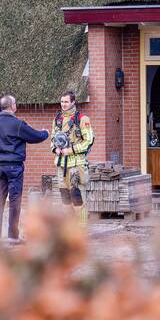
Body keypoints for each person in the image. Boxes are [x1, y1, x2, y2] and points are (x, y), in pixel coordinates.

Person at [0, 94, 49, 240]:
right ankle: (13, 236)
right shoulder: (17, 124)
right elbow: (35, 136)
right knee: (15, 202)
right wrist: (46, 133)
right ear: (12, 106)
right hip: (14, 168)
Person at [51, 90, 95, 223]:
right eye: (62, 101)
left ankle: (82, 225)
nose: (63, 104)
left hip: (77, 165)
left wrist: (71, 150)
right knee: (65, 197)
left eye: (66, 102)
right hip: (61, 165)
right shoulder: (57, 119)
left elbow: (89, 141)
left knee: (77, 196)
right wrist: (55, 149)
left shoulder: (82, 119)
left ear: (73, 102)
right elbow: (53, 138)